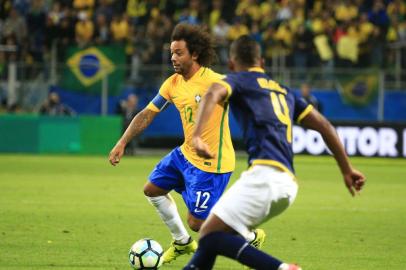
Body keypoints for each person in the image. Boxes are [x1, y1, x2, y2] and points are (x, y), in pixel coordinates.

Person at [184, 35, 366, 270]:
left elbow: (212, 93)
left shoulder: (237, 80)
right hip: (287, 185)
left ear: (231, 64)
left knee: (208, 234)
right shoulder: (285, 92)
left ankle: (281, 269)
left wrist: (197, 135)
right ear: (262, 62)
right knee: (214, 240)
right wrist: (347, 169)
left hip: (264, 177)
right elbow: (326, 127)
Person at [109, 24, 264, 264]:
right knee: (152, 190)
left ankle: (249, 235)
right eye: (171, 52)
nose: (173, 57)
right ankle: (181, 242)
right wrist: (122, 141)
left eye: (178, 53)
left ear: (194, 54)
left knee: (197, 223)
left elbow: (249, 100)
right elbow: (147, 113)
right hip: (185, 154)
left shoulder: (215, 81)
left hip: (212, 163)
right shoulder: (172, 83)